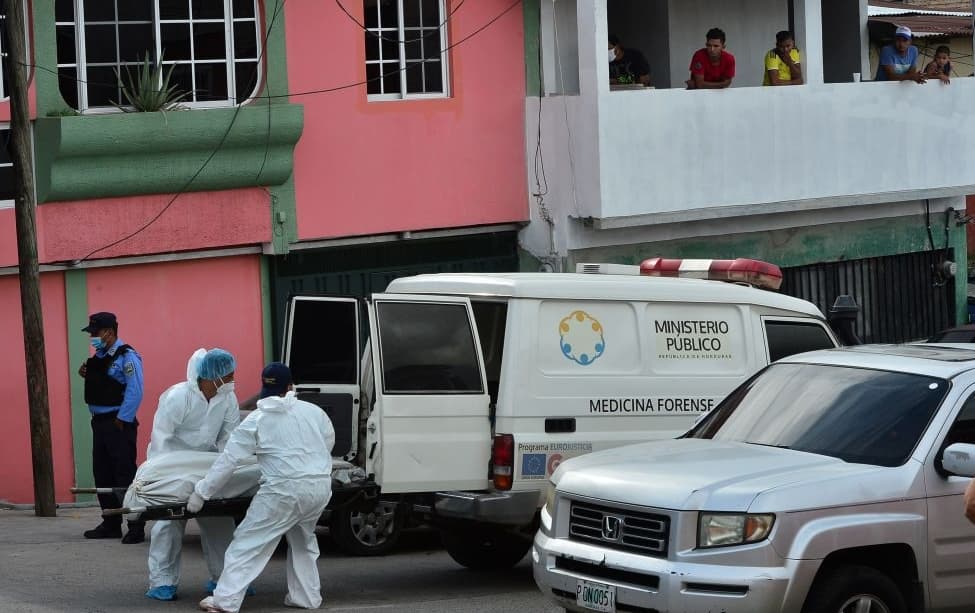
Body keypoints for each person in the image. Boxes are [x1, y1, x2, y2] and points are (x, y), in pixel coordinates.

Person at [193, 362, 335, 613]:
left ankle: (225, 600)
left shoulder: (257, 419)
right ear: (290, 386)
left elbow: (229, 461)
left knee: (248, 542)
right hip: (319, 487)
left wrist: (202, 492)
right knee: (303, 542)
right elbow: (328, 443)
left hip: (283, 490)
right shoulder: (314, 412)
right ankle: (306, 597)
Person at [144, 349, 241, 602]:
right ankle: (162, 582)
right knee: (168, 523)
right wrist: (161, 478)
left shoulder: (227, 398)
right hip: (172, 465)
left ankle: (226, 579)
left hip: (207, 465)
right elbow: (161, 438)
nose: (232, 380)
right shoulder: (178, 397)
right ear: (213, 377)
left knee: (220, 522)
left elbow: (229, 438)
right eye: (229, 376)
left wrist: (225, 473)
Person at [78, 311, 146, 544]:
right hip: (99, 423)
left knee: (124, 474)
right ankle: (110, 523)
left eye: (95, 333)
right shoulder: (99, 355)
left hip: (118, 424)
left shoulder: (127, 356)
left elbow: (135, 390)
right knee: (103, 474)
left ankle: (135, 525)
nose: (93, 337)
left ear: (109, 332)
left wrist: (123, 419)